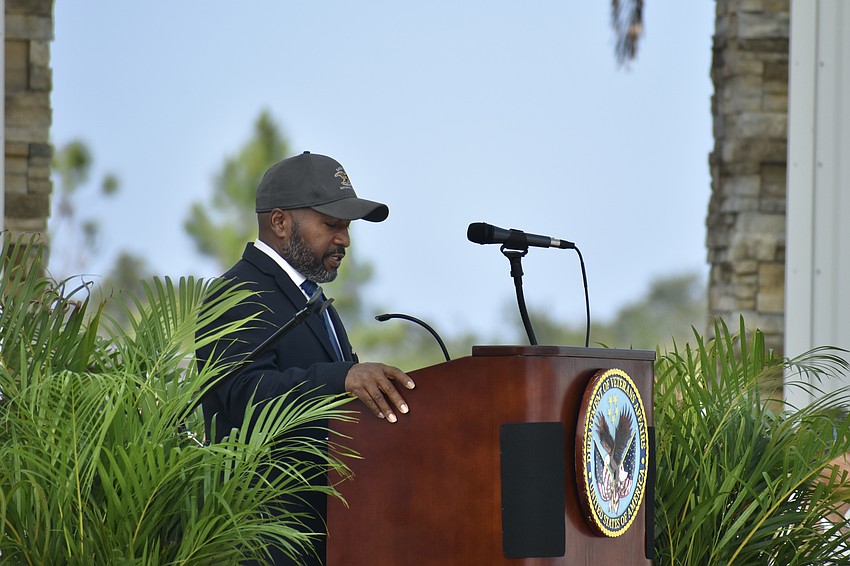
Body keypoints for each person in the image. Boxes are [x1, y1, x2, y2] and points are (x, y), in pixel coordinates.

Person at [196, 151, 415, 565]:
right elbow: (242, 394)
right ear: (280, 222)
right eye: (332, 225)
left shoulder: (316, 301)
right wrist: (342, 377)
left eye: (347, 228)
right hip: (263, 538)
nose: (345, 240)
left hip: (327, 535)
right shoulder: (237, 292)